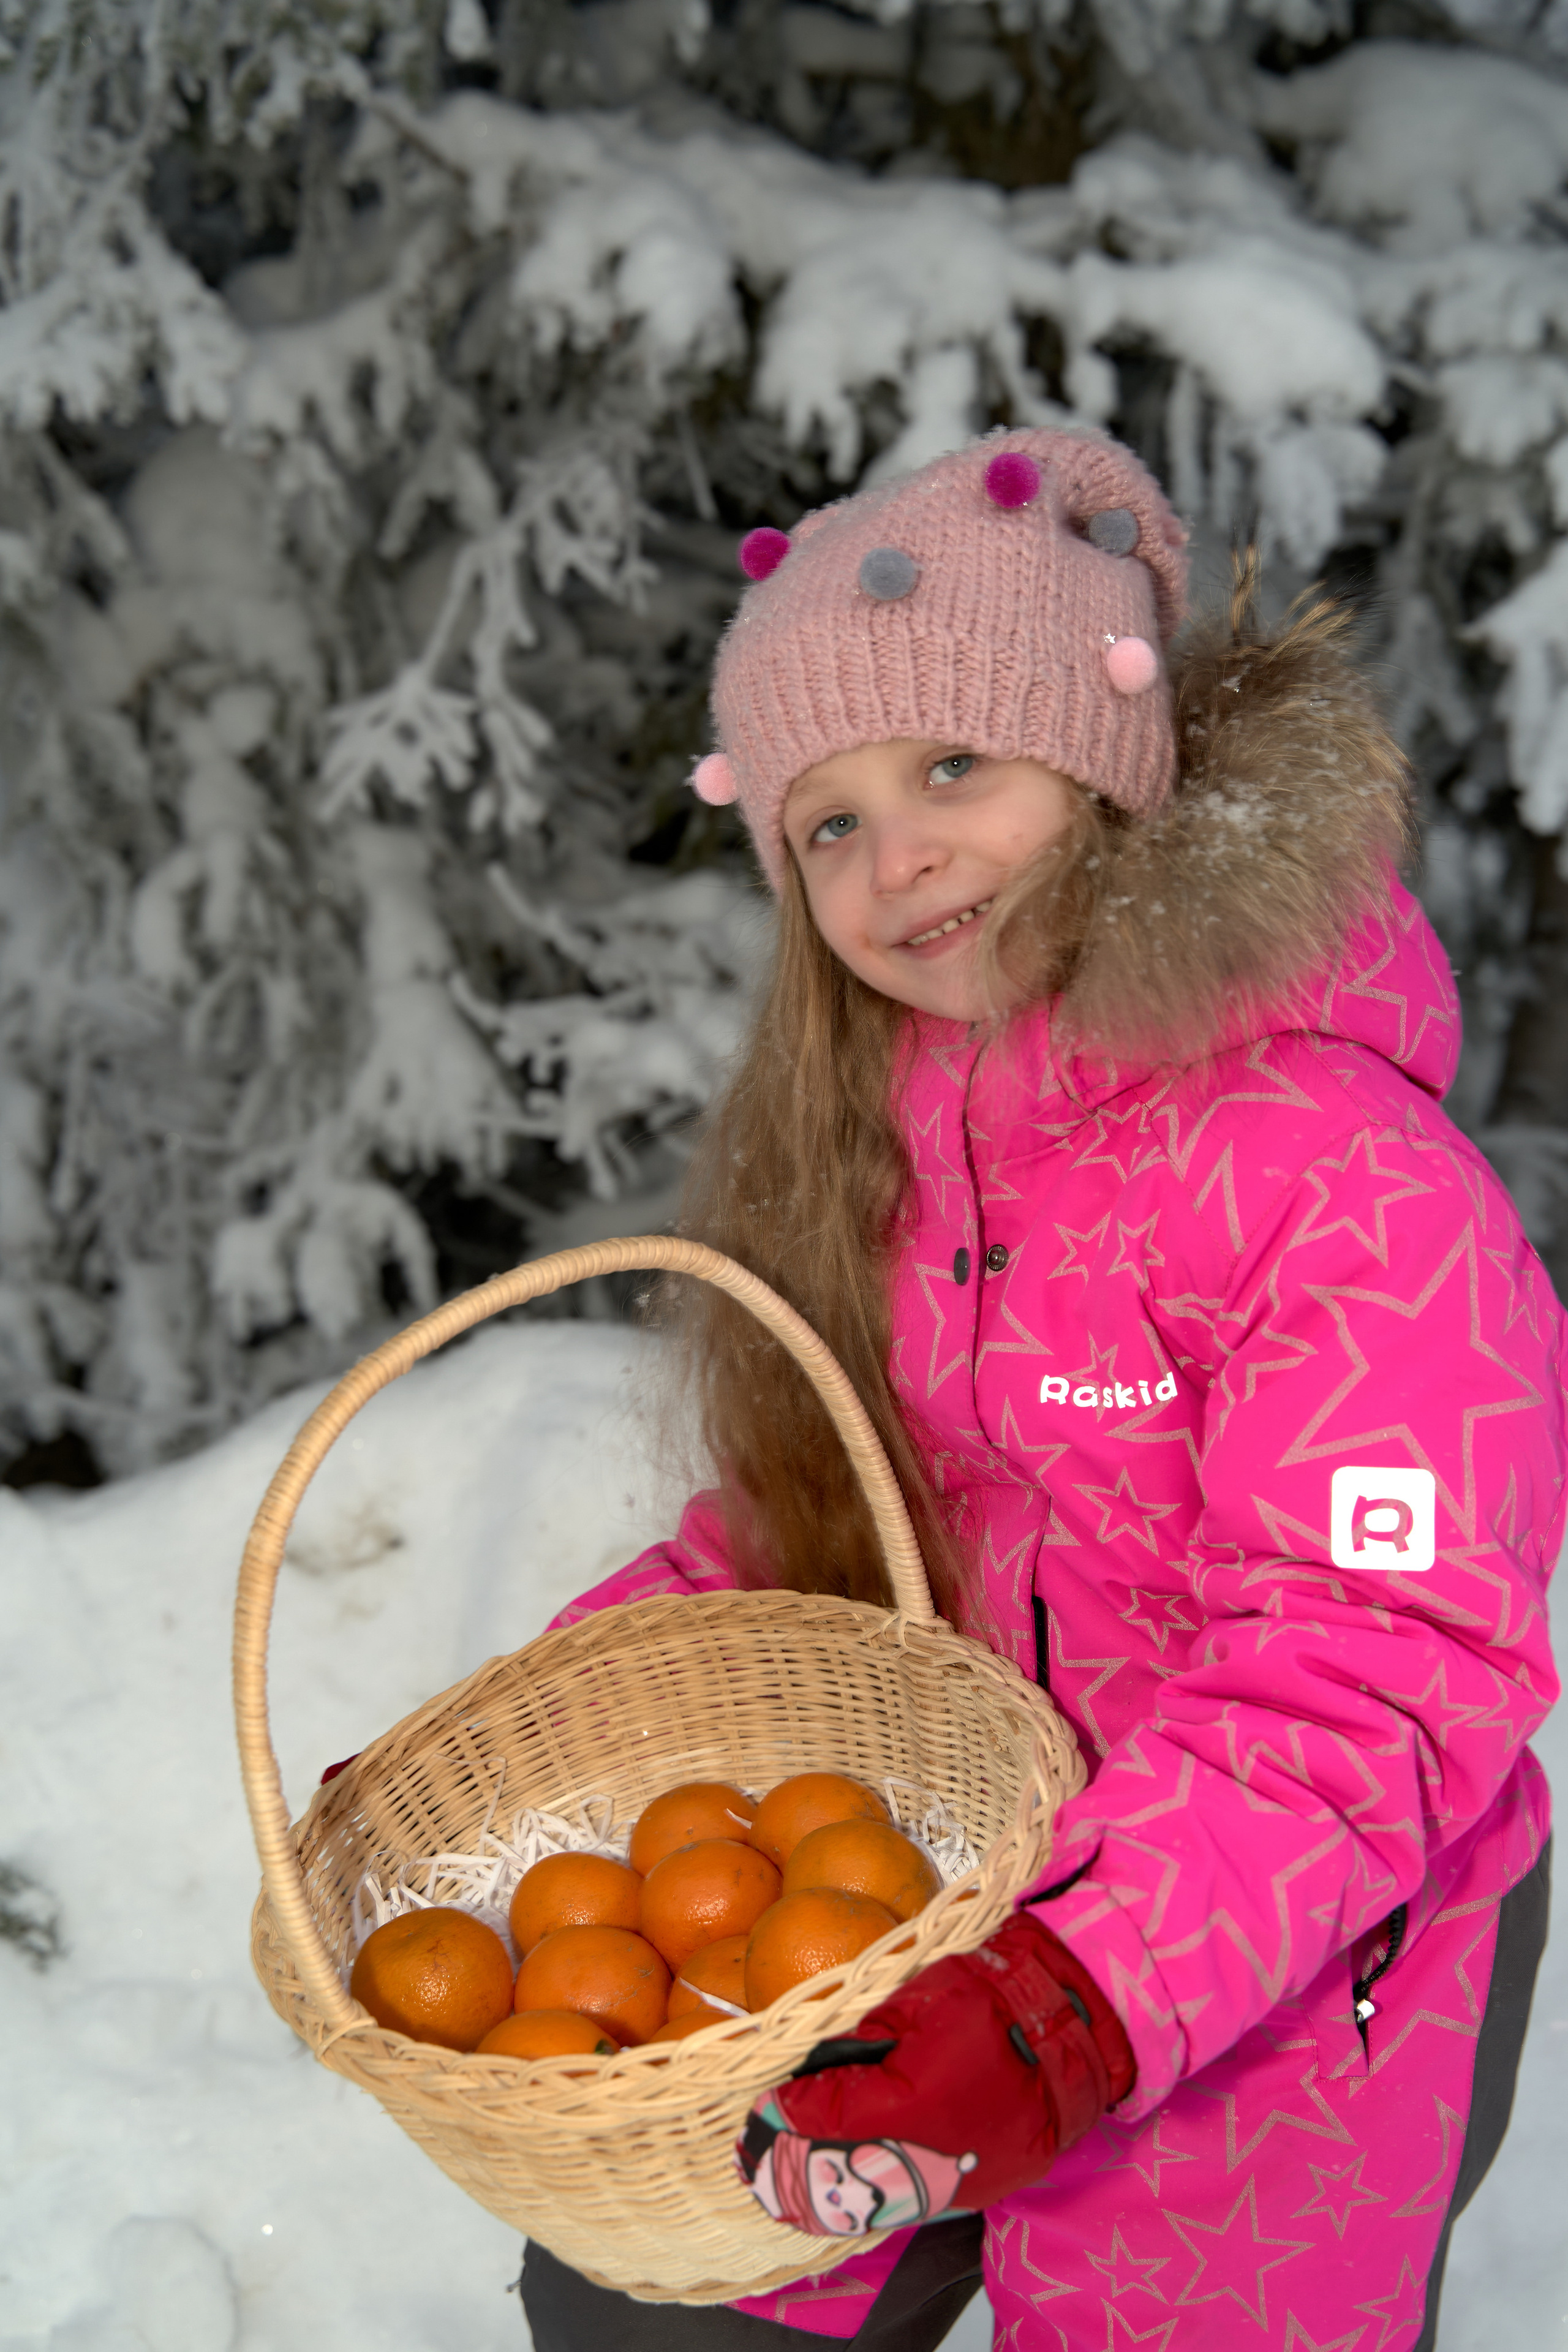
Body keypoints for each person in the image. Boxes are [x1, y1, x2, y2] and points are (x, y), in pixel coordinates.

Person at [516, 429, 1562, 2352]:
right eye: (823, 821)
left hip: (1272, 1951)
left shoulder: (1349, 1182)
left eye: (947, 767)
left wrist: (1071, 1992)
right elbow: (812, 1534)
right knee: (658, 2304)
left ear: (1111, 761)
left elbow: (1381, 1669)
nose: (891, 852)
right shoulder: (884, 1149)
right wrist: (561, 1734)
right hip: (917, 1896)